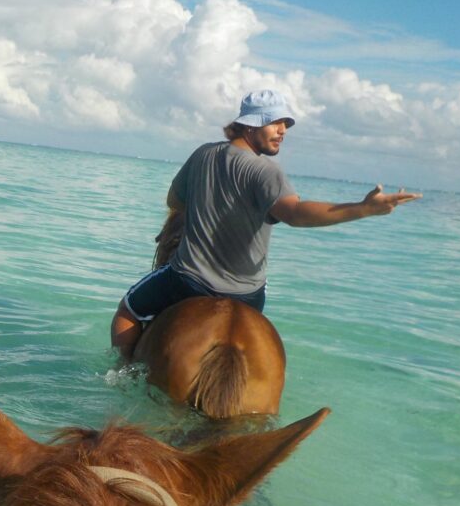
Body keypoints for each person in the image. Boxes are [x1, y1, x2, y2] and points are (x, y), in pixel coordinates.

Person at [111, 89, 421, 360]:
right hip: (248, 296)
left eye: (286, 123)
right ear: (248, 125)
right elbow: (295, 212)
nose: (283, 129)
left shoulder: (203, 155)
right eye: (274, 122)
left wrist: (209, 207)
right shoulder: (266, 173)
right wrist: (362, 209)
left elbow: (174, 202)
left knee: (129, 310)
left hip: (189, 283)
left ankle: (123, 372)